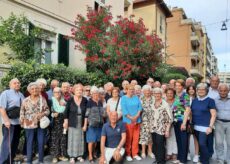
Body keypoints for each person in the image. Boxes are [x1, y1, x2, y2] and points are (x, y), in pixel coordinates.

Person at [20, 82, 50, 164]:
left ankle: (40, 160)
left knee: (41, 142)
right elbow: (22, 111)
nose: (34, 90)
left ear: (38, 89)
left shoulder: (42, 99)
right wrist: (22, 121)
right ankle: (29, 161)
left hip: (40, 123)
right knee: (29, 142)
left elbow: (47, 110)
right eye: (32, 89)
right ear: (29, 90)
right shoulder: (25, 100)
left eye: (36, 88)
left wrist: (42, 114)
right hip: (28, 122)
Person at [0, 78, 24, 164]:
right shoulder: (5, 93)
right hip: (9, 123)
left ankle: (11, 160)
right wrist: (6, 121)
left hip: (18, 122)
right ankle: (3, 161)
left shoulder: (21, 94)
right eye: (15, 83)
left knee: (15, 142)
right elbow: (2, 108)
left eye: (18, 83)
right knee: (7, 143)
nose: (17, 84)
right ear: (10, 85)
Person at [191, 83, 216, 164]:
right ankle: (203, 158)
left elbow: (213, 114)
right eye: (199, 89)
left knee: (202, 144)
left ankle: (205, 161)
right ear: (197, 91)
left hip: (205, 127)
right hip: (195, 127)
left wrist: (210, 126)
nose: (201, 91)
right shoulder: (194, 101)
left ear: (206, 91)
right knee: (200, 144)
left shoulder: (210, 100)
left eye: (203, 89)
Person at [63, 84, 88, 163]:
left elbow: (87, 113)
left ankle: (80, 155)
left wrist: (85, 124)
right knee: (72, 139)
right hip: (72, 122)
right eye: (77, 90)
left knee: (80, 139)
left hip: (81, 122)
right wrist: (66, 122)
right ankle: (72, 156)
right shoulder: (70, 100)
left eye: (80, 90)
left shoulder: (85, 100)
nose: (79, 91)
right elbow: (65, 112)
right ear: (74, 91)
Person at [83, 86, 106, 163]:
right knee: (91, 141)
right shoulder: (89, 102)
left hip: (99, 125)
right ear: (92, 94)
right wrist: (85, 125)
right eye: (94, 94)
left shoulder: (100, 102)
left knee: (96, 141)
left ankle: (93, 153)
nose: (96, 95)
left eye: (97, 94)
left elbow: (103, 113)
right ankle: (90, 155)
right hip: (92, 125)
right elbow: (86, 114)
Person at [150, 87, 173, 164]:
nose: (157, 95)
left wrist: (167, 130)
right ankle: (157, 159)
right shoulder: (152, 103)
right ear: (153, 94)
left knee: (160, 146)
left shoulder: (165, 104)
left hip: (161, 128)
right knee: (155, 145)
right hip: (153, 128)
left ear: (161, 94)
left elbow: (170, 119)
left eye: (158, 93)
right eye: (155, 93)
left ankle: (161, 161)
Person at [121, 84, 142, 162]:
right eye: (130, 89)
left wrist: (136, 116)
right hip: (128, 121)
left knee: (136, 138)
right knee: (129, 138)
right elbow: (124, 110)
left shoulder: (136, 97)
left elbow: (140, 107)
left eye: (133, 89)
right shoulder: (123, 98)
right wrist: (132, 118)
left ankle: (135, 154)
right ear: (126, 90)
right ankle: (128, 154)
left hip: (137, 120)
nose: (132, 90)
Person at [172, 79, 191, 164]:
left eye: (179, 85)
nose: (177, 87)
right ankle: (179, 158)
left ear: (182, 86)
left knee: (184, 141)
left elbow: (187, 109)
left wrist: (184, 123)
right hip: (176, 121)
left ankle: (183, 160)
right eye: (176, 85)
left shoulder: (185, 95)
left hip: (182, 121)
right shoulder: (176, 95)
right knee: (179, 140)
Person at [50, 87, 68, 163]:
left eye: (59, 92)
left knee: (63, 139)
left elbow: (67, 111)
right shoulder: (51, 101)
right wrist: (53, 114)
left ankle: (62, 155)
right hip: (54, 123)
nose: (57, 93)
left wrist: (66, 121)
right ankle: (55, 156)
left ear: (61, 93)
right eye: (55, 92)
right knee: (54, 140)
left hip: (63, 123)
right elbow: (47, 110)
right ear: (53, 93)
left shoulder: (64, 101)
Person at [214, 83, 230, 164]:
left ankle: (228, 159)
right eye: (221, 91)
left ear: (228, 91)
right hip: (218, 122)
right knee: (218, 142)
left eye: (225, 91)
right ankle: (220, 159)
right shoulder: (214, 100)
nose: (223, 92)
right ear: (218, 91)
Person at [139, 85, 155, 159]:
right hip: (143, 120)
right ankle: (143, 151)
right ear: (143, 91)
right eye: (146, 91)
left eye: (148, 91)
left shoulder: (153, 98)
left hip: (152, 120)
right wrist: (139, 120)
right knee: (143, 135)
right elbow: (138, 110)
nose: (147, 92)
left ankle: (150, 151)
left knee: (150, 136)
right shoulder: (140, 99)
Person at [186, 85, 199, 162]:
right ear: (187, 90)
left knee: (196, 138)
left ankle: (196, 154)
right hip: (187, 120)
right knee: (186, 138)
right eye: (189, 89)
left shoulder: (198, 99)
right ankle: (187, 153)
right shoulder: (185, 98)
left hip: (196, 120)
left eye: (192, 89)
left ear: (195, 90)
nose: (191, 90)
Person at [165, 88, 178, 162]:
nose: (170, 94)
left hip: (175, 123)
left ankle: (174, 153)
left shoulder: (176, 102)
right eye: (168, 93)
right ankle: (168, 153)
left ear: (174, 94)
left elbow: (178, 113)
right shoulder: (163, 102)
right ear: (166, 94)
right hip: (166, 124)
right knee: (168, 139)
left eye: (171, 93)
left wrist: (174, 122)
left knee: (175, 139)